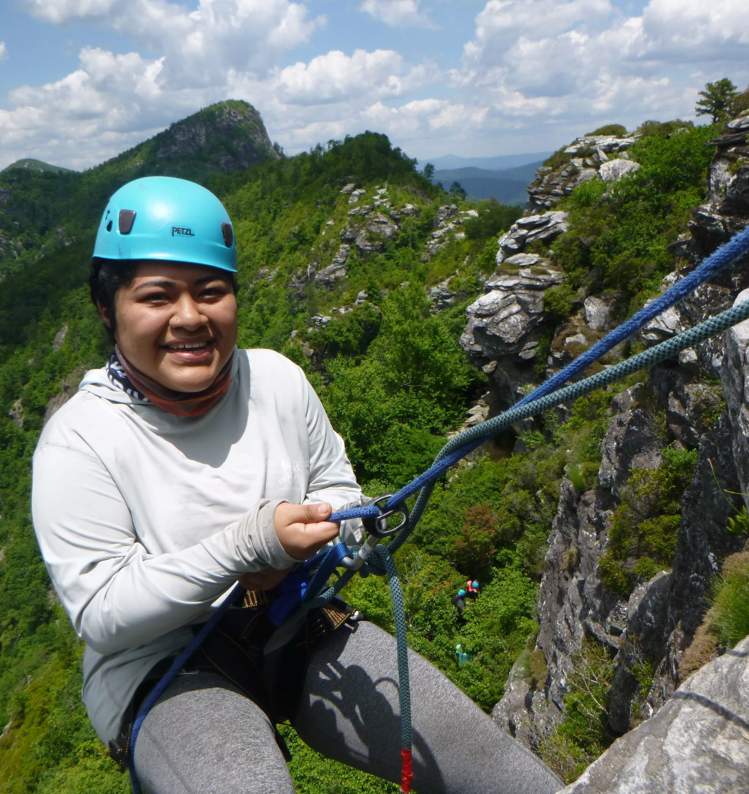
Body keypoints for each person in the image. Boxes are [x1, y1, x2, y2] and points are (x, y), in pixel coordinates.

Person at [31, 176, 563, 794]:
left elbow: (336, 481)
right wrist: (250, 546)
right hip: (162, 666)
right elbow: (102, 613)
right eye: (156, 297)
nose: (190, 317)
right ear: (107, 308)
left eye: (211, 292)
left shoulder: (277, 381)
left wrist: (347, 521)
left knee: (493, 767)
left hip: (298, 619)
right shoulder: (80, 437)